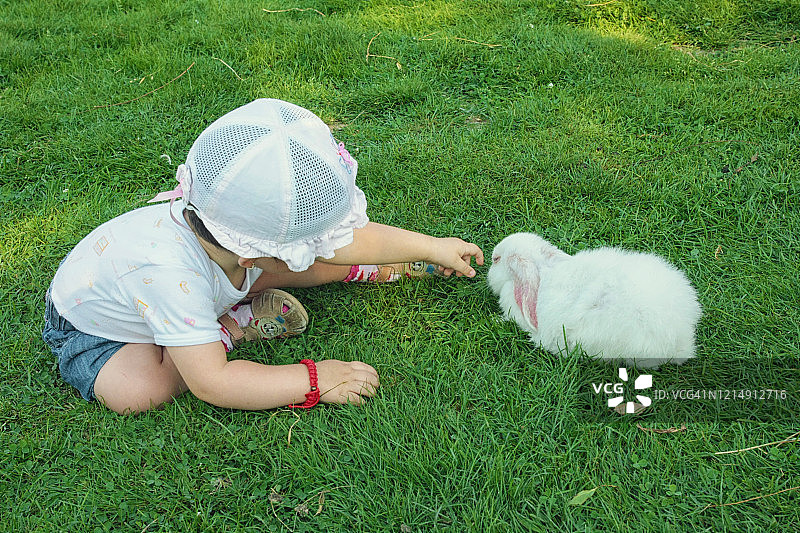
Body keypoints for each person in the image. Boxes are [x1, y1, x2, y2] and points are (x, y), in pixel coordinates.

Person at [42, 98, 484, 415]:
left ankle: (370, 272)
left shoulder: (226, 229)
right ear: (254, 257)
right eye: (309, 245)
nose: (326, 248)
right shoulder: (169, 275)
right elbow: (213, 383)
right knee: (140, 392)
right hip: (100, 328)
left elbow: (346, 239)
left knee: (304, 269)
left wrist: (430, 246)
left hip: (195, 287)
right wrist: (315, 379)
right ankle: (235, 326)